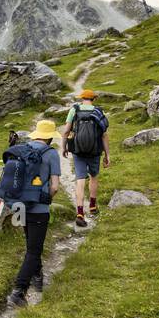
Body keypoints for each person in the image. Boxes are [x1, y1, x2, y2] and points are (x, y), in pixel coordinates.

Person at [5, 118, 61, 308]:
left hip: (18, 206)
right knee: (34, 249)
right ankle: (18, 292)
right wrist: (48, 198)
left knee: (30, 242)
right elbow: (55, 186)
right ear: (50, 138)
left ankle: (37, 277)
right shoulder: (51, 154)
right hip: (38, 208)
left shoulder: (22, 149)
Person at [62, 89, 110, 228]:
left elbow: (66, 131)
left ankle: (80, 213)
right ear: (93, 99)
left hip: (78, 150)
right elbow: (104, 135)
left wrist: (64, 147)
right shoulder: (98, 111)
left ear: (82, 98)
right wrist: (107, 155)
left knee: (80, 180)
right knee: (94, 177)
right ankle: (93, 206)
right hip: (95, 151)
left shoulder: (74, 110)